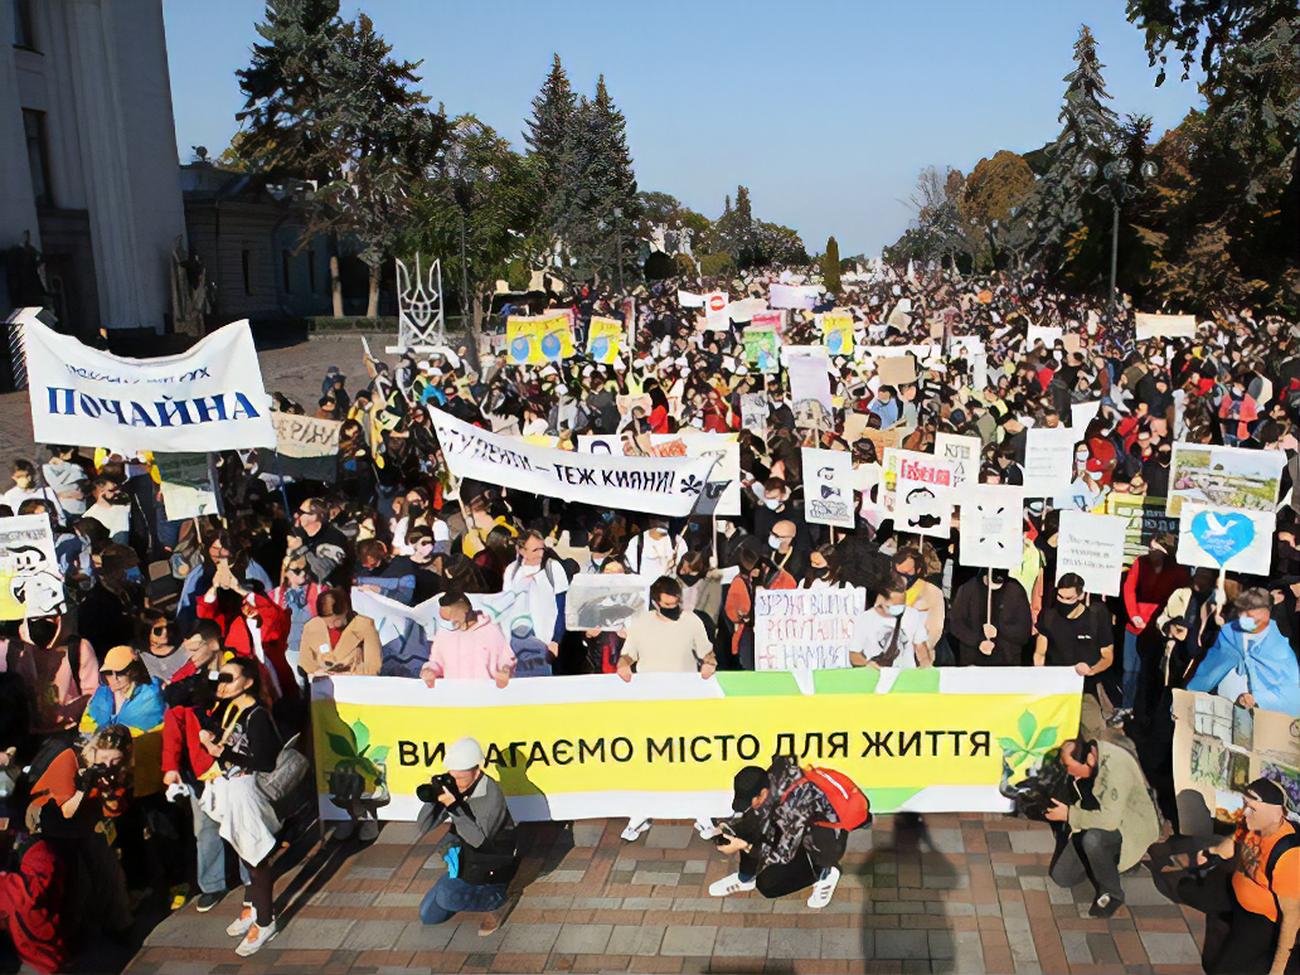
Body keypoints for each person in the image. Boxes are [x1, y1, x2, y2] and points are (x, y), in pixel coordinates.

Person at [198, 656, 284, 957]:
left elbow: (264, 761)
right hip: (230, 787)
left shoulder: (257, 714)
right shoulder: (231, 708)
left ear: (247, 682)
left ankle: (265, 921)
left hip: (248, 792)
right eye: (220, 678)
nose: (221, 685)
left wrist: (223, 752)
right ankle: (252, 908)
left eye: (229, 678)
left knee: (256, 858)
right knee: (244, 852)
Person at [709, 756, 866, 909]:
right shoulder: (771, 780)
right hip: (801, 826)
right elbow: (757, 817)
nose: (750, 806)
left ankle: (825, 873)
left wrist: (744, 846)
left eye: (752, 802)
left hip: (825, 839)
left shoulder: (795, 805)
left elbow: (782, 855)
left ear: (763, 793)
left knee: (768, 886)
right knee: (749, 828)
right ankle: (745, 879)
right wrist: (724, 827)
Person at [1180, 778, 1298, 975]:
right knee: (1187, 890)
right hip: (1239, 890)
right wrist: (1212, 852)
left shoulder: (1288, 857)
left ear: (1276, 814)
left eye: (1252, 808)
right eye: (1245, 805)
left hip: (1262, 920)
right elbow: (1235, 841)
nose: (1244, 812)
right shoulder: (1252, 824)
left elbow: (1292, 918)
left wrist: (1277, 971)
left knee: (1226, 969)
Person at [1045, 738, 1160, 918]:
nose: (1067, 771)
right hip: (1095, 818)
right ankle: (1106, 861)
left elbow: (1109, 821)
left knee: (1092, 840)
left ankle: (1112, 893)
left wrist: (1069, 815)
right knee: (1062, 876)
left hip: (1129, 825)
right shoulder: (1091, 759)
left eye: (1069, 766)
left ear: (1089, 760)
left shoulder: (1116, 771)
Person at [417, 737, 519, 934]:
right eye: (452, 777)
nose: (456, 784)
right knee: (428, 916)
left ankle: (499, 898)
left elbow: (479, 841)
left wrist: (454, 807)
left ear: (477, 772)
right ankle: (460, 886)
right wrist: (433, 800)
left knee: (447, 898)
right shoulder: (457, 786)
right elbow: (423, 827)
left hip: (491, 864)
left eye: (461, 779)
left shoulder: (491, 798)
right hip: (467, 858)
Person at [1187, 587, 1300, 716]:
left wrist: (1258, 699)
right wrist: (1185, 702)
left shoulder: (1279, 647)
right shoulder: (1229, 636)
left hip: (1263, 718)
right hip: (1222, 712)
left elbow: (1290, 691)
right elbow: (1206, 675)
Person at [1116, 534, 1189, 722]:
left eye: (1156, 549)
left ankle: (1147, 711)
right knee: (1130, 669)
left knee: (1153, 671)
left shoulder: (1178, 570)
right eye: (1150, 548)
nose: (1151, 553)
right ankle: (1127, 706)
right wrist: (1134, 614)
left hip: (1160, 628)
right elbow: (1129, 588)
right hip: (1136, 624)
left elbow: (1181, 598)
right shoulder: (1140, 563)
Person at [1033, 573, 1114, 731]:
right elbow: (1039, 654)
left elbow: (1107, 656)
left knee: (1094, 731)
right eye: (1060, 597)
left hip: (1086, 689)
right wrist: (1040, 680)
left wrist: (1090, 671)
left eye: (1069, 598)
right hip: (1056, 688)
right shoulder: (1049, 617)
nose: (1063, 602)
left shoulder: (1096, 616)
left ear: (1081, 595)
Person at [419, 591, 514, 687]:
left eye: (453, 616)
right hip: (454, 696)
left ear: (464, 609)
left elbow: (506, 660)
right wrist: (428, 671)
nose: (452, 621)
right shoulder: (444, 634)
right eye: (447, 619)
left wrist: (505, 671)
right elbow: (436, 662)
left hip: (485, 696)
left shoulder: (491, 631)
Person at [948, 567, 1032, 666]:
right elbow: (955, 624)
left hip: (1006, 665)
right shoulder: (968, 589)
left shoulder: (1016, 591)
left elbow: (1024, 632)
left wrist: (999, 630)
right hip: (973, 663)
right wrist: (978, 641)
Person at [298, 588, 383, 680]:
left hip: (354, 685)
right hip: (322, 686)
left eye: (335, 621)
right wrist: (317, 671)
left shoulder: (365, 626)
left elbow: (373, 667)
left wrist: (349, 674)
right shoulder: (311, 627)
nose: (331, 626)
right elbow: (305, 662)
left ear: (345, 611)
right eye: (326, 622)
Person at [849, 574, 933, 668]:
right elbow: (854, 655)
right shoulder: (865, 619)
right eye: (895, 605)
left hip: (905, 677)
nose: (900, 609)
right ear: (883, 600)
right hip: (877, 677)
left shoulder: (913, 615)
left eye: (902, 604)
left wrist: (925, 662)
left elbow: (921, 646)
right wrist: (867, 664)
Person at [79, 645, 165, 734]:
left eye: (120, 673)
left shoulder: (149, 698)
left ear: (134, 671)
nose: (114, 678)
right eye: (108, 672)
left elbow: (148, 737)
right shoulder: (101, 694)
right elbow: (85, 728)